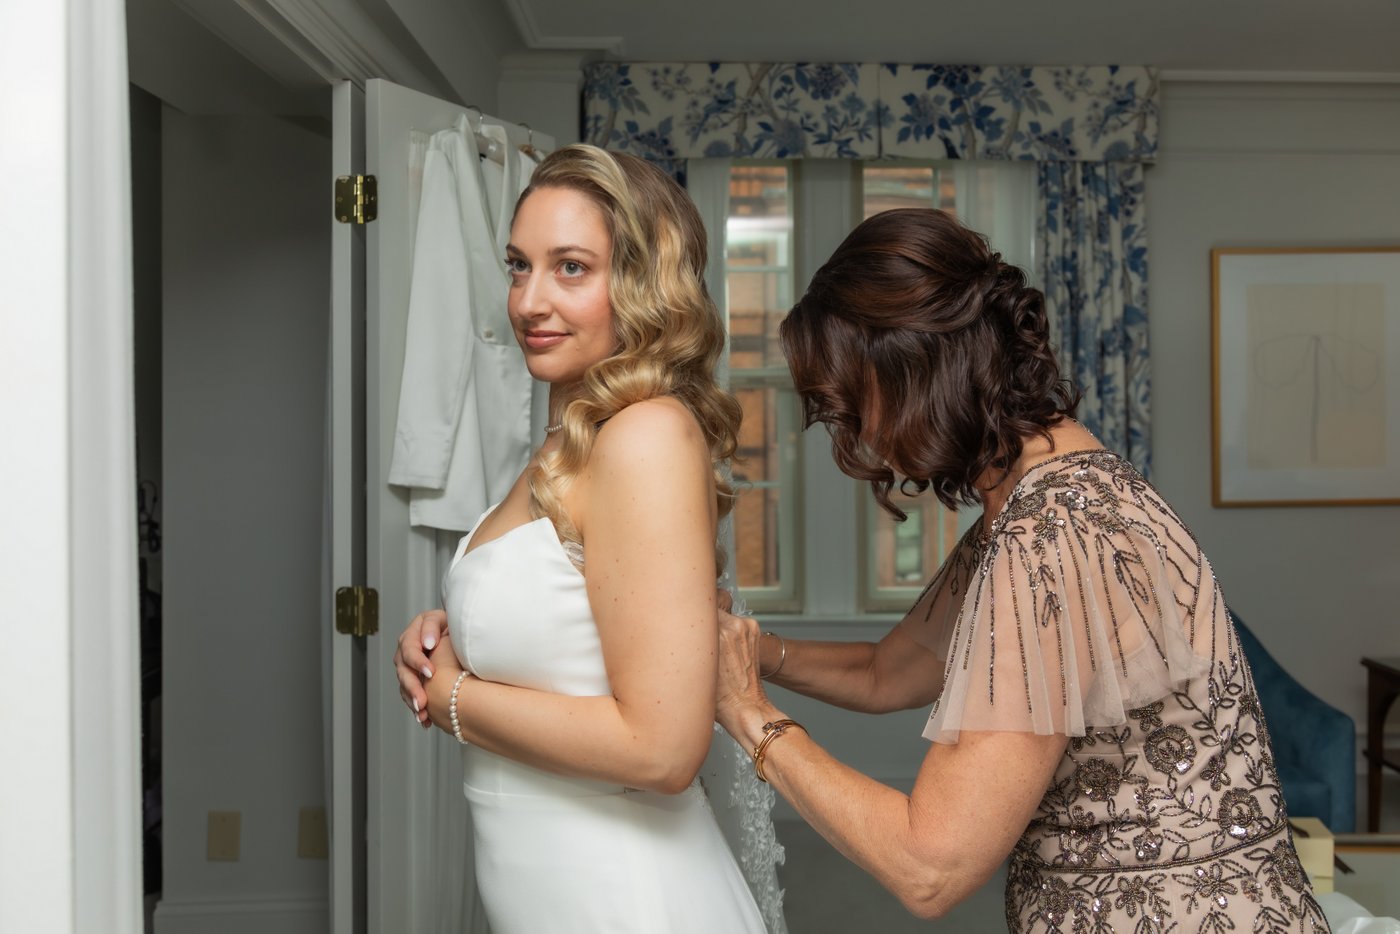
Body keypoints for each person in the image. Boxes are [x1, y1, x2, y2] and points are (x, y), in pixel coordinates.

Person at [713, 208, 1330, 932]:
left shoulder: (1053, 535)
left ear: (914, 370)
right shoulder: (1050, 497)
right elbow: (893, 669)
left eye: (852, 404)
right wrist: (753, 652)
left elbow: (929, 865)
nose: (858, 436)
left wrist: (746, 714)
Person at [391, 144, 768, 934]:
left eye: (570, 268)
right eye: (517, 266)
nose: (529, 300)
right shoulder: (570, 440)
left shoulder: (646, 435)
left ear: (640, 283)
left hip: (627, 900)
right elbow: (568, 630)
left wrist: (453, 694)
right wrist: (448, 638)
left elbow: (662, 750)